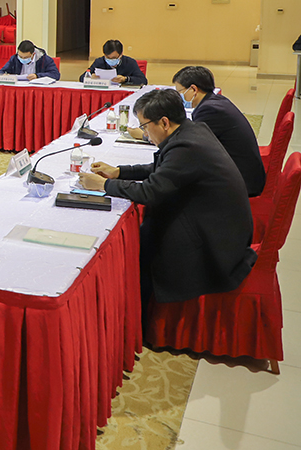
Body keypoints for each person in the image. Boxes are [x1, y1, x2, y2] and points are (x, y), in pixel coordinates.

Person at [79, 89, 257, 310]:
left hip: (214, 245)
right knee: (145, 230)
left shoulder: (186, 147)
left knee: (141, 246)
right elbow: (163, 169)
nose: (145, 134)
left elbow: (150, 192)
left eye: (145, 127)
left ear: (164, 122)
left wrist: (104, 185)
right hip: (218, 226)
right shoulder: (191, 131)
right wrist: (119, 172)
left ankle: (139, 314)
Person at [127, 65, 266, 197]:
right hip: (240, 170)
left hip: (241, 182)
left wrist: (146, 136)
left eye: (180, 92)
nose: (180, 97)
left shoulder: (209, 110)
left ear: (193, 89)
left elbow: (191, 145)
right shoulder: (215, 101)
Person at [80, 39, 147, 86]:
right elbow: (81, 78)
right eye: (108, 58)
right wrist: (91, 77)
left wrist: (125, 79)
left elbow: (143, 80)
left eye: (114, 58)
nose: (111, 60)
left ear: (121, 54)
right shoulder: (99, 62)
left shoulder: (130, 63)